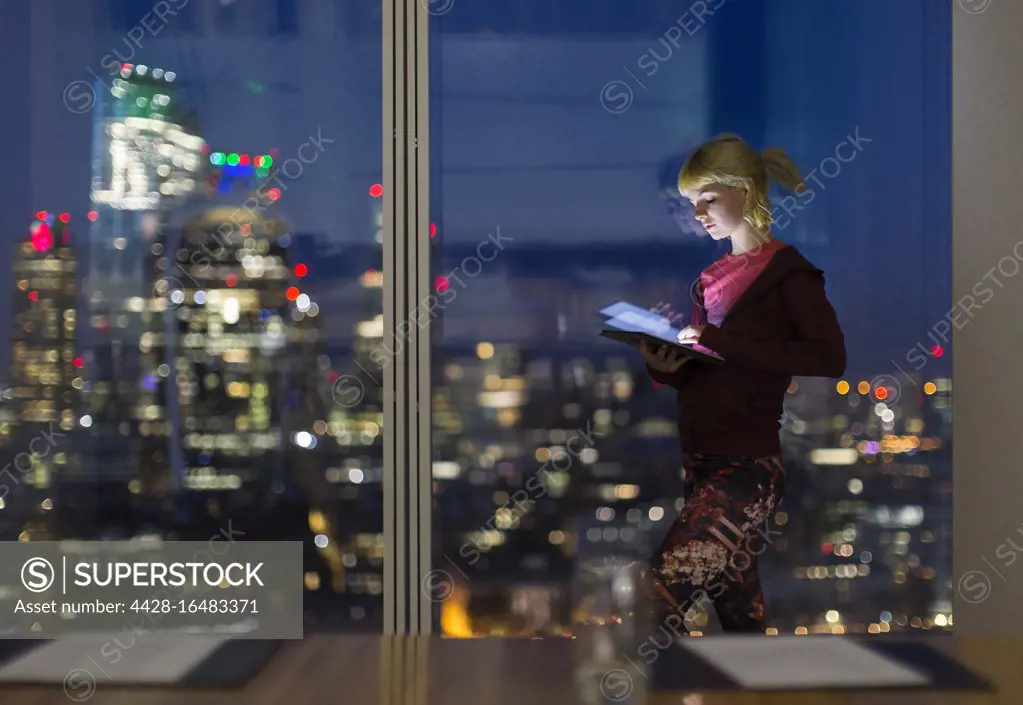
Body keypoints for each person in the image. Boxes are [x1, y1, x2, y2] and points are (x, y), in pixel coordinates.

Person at [639, 133, 846, 634]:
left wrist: (719, 341)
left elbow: (829, 357)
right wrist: (665, 364)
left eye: (709, 198)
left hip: (746, 470)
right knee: (741, 621)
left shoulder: (789, 276)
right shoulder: (711, 279)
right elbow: (711, 368)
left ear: (746, 191)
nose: (700, 213)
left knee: (660, 596)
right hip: (702, 466)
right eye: (692, 203)